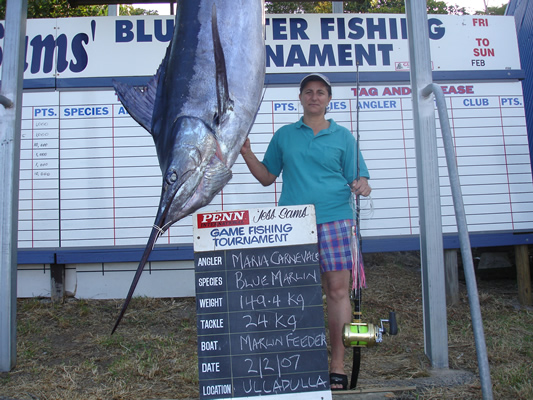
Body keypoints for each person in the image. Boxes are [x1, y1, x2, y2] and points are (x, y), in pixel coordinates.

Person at [240, 73, 371, 390]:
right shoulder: (285, 135)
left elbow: (361, 180)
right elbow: (266, 177)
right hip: (293, 224)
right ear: (300, 98)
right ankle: (298, 364)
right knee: (296, 295)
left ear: (329, 99)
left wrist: (362, 185)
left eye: (321, 92)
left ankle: (337, 366)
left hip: (336, 220)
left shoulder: (344, 138)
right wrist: (246, 152)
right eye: (309, 92)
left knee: (338, 292)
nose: (314, 97)